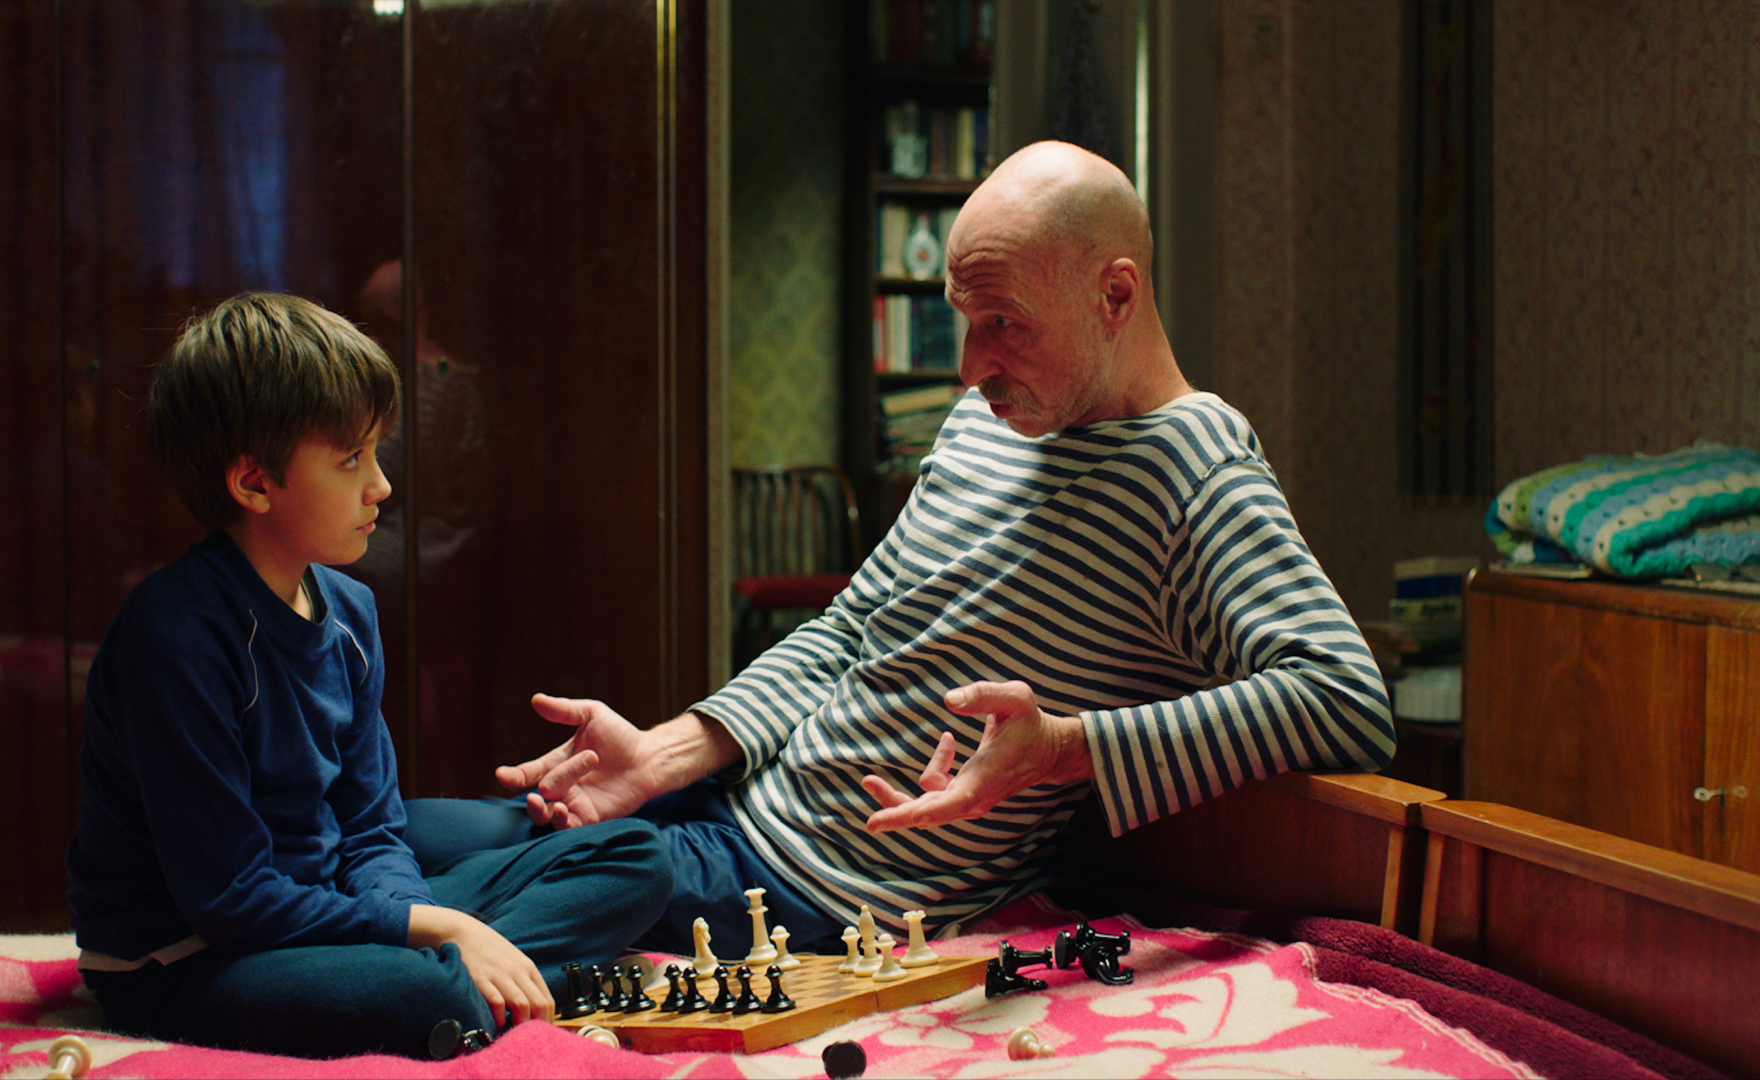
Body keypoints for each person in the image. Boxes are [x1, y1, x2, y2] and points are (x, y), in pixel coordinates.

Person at [496, 141, 1395, 957]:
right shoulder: (986, 419)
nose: (969, 368)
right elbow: (851, 628)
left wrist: (1063, 747)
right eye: (966, 320)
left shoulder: (1195, 474)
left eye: (1003, 323)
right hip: (733, 801)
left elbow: (1345, 697)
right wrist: (668, 753)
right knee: (432, 842)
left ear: (1115, 295)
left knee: (447, 907)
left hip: (823, 894)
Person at [65, 293, 672, 1060]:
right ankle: (484, 984)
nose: (381, 485)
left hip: (319, 899)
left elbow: (371, 826)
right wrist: (439, 928)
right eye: (352, 459)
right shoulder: (176, 635)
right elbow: (228, 899)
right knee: (428, 996)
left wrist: (417, 920)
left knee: (636, 857)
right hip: (191, 955)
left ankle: (476, 984)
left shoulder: (349, 609)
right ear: (254, 483)